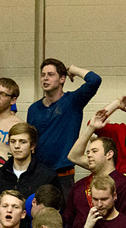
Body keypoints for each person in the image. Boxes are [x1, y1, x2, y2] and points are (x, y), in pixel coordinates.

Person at [26, 58, 101, 194]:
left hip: (63, 173)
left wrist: (73, 69)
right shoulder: (33, 109)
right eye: (43, 75)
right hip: (39, 173)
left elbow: (95, 80)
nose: (45, 78)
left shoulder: (73, 101)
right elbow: (30, 141)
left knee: (65, 214)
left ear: (62, 79)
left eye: (50, 74)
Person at [65, 115, 126, 226]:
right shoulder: (79, 186)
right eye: (88, 152)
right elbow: (68, 220)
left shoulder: (125, 186)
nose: (89, 155)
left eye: (94, 151)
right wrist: (90, 128)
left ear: (109, 154)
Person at [0, 123, 59, 213]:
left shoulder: (47, 177)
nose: (17, 146)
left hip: (36, 226)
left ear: (32, 146)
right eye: (13, 141)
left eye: (23, 142)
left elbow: (55, 213)